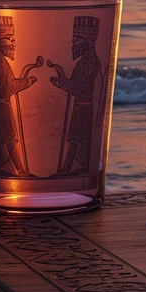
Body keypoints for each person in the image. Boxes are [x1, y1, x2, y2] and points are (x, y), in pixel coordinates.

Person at [0, 16, 42, 176]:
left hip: (0, 106)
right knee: (9, 139)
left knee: (5, 140)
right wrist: (27, 82)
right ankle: (19, 171)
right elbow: (6, 87)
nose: (13, 43)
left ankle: (9, 170)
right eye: (8, 39)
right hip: (1, 106)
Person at [48, 16, 102, 176]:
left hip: (85, 108)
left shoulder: (90, 61)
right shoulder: (85, 60)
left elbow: (82, 88)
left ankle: (67, 170)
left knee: (76, 139)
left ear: (88, 41)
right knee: (76, 140)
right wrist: (62, 80)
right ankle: (72, 169)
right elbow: (77, 85)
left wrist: (61, 83)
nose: (74, 44)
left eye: (77, 39)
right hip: (81, 107)